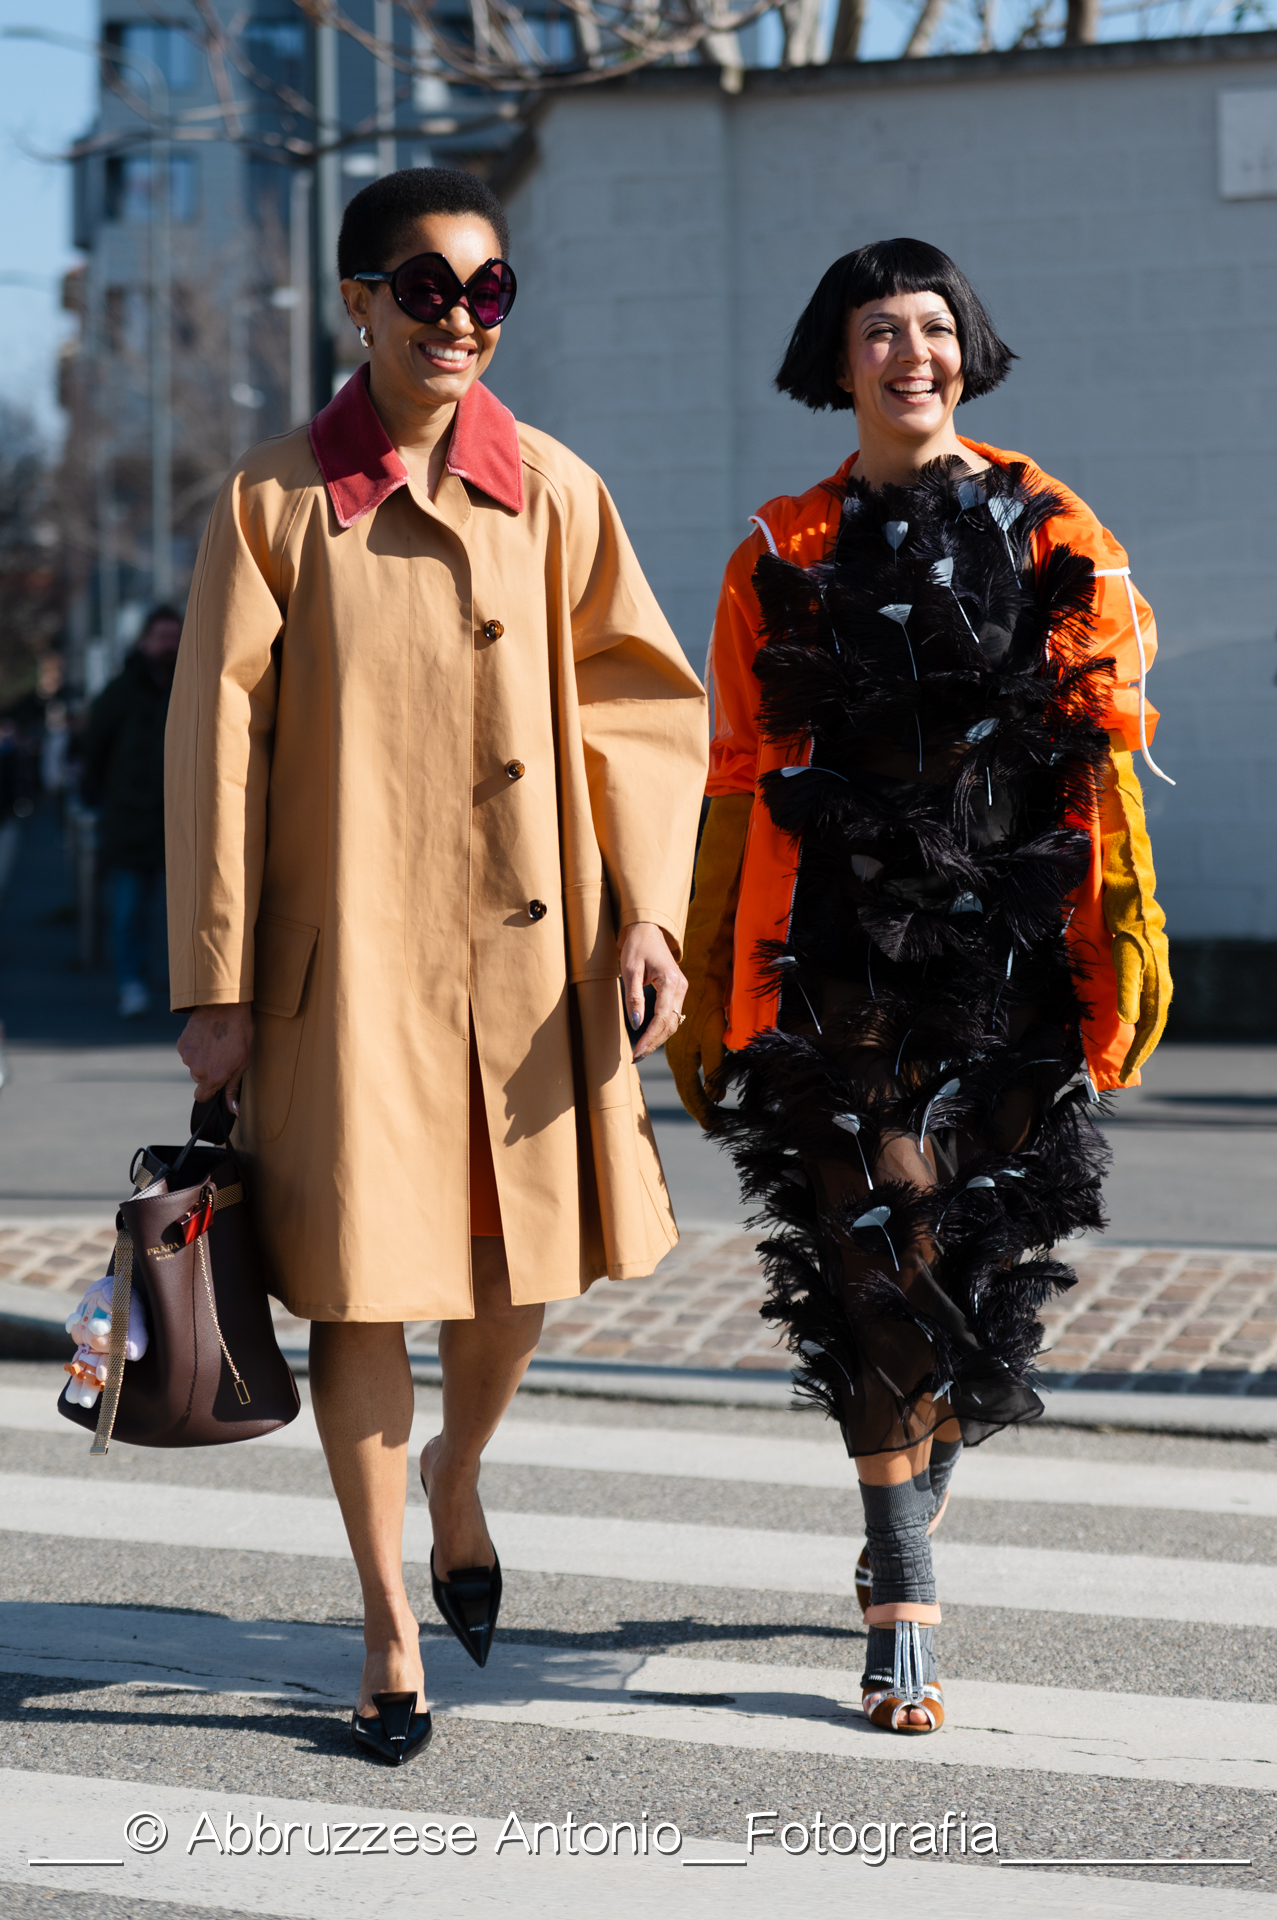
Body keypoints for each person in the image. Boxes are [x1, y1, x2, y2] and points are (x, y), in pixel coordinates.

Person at [166, 167, 707, 1764]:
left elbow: (640, 707)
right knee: (356, 1293)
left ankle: (459, 1475)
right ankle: (387, 1620)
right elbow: (215, 743)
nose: (460, 316)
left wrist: (651, 914)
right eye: (424, 285)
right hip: (341, 978)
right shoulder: (274, 501)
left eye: (488, 290)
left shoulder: (557, 488)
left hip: (533, 963)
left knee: (509, 1271)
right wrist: (216, 985)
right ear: (357, 302)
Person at [667, 238, 1170, 1736]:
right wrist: (706, 974)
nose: (911, 354)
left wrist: (1130, 937)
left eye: (934, 328)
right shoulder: (781, 547)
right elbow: (734, 772)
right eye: (879, 331)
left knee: (979, 1269)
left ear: (968, 348)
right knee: (871, 1248)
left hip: (1009, 951)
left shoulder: (1057, 523)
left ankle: (920, 1465)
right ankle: (900, 1584)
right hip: (838, 958)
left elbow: (1107, 750)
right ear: (837, 359)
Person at [82, 606, 183, 1018]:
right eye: (161, 636)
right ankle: (132, 983)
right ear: (144, 640)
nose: (169, 644)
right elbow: (93, 750)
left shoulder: (191, 684)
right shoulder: (120, 692)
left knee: (186, 913)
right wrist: (99, 801)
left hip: (179, 821)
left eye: (175, 636)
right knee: (130, 910)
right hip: (130, 820)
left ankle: (182, 987)